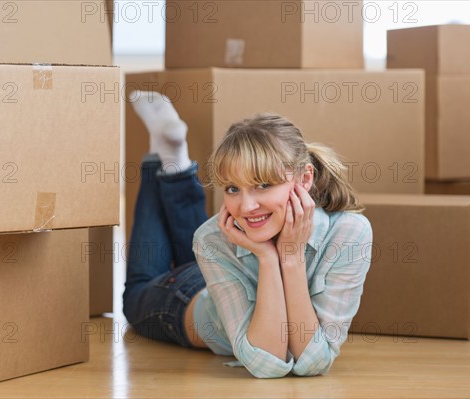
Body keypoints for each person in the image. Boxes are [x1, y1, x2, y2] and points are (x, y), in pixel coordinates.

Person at [123, 91, 373, 378]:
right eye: (232, 189)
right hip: (182, 301)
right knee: (136, 295)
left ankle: (170, 154)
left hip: (222, 272)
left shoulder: (350, 233)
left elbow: (313, 363)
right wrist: (267, 257)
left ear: (305, 178)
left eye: (264, 185)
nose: (246, 205)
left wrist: (290, 258)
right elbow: (268, 363)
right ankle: (165, 156)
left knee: (202, 246)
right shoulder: (211, 238)